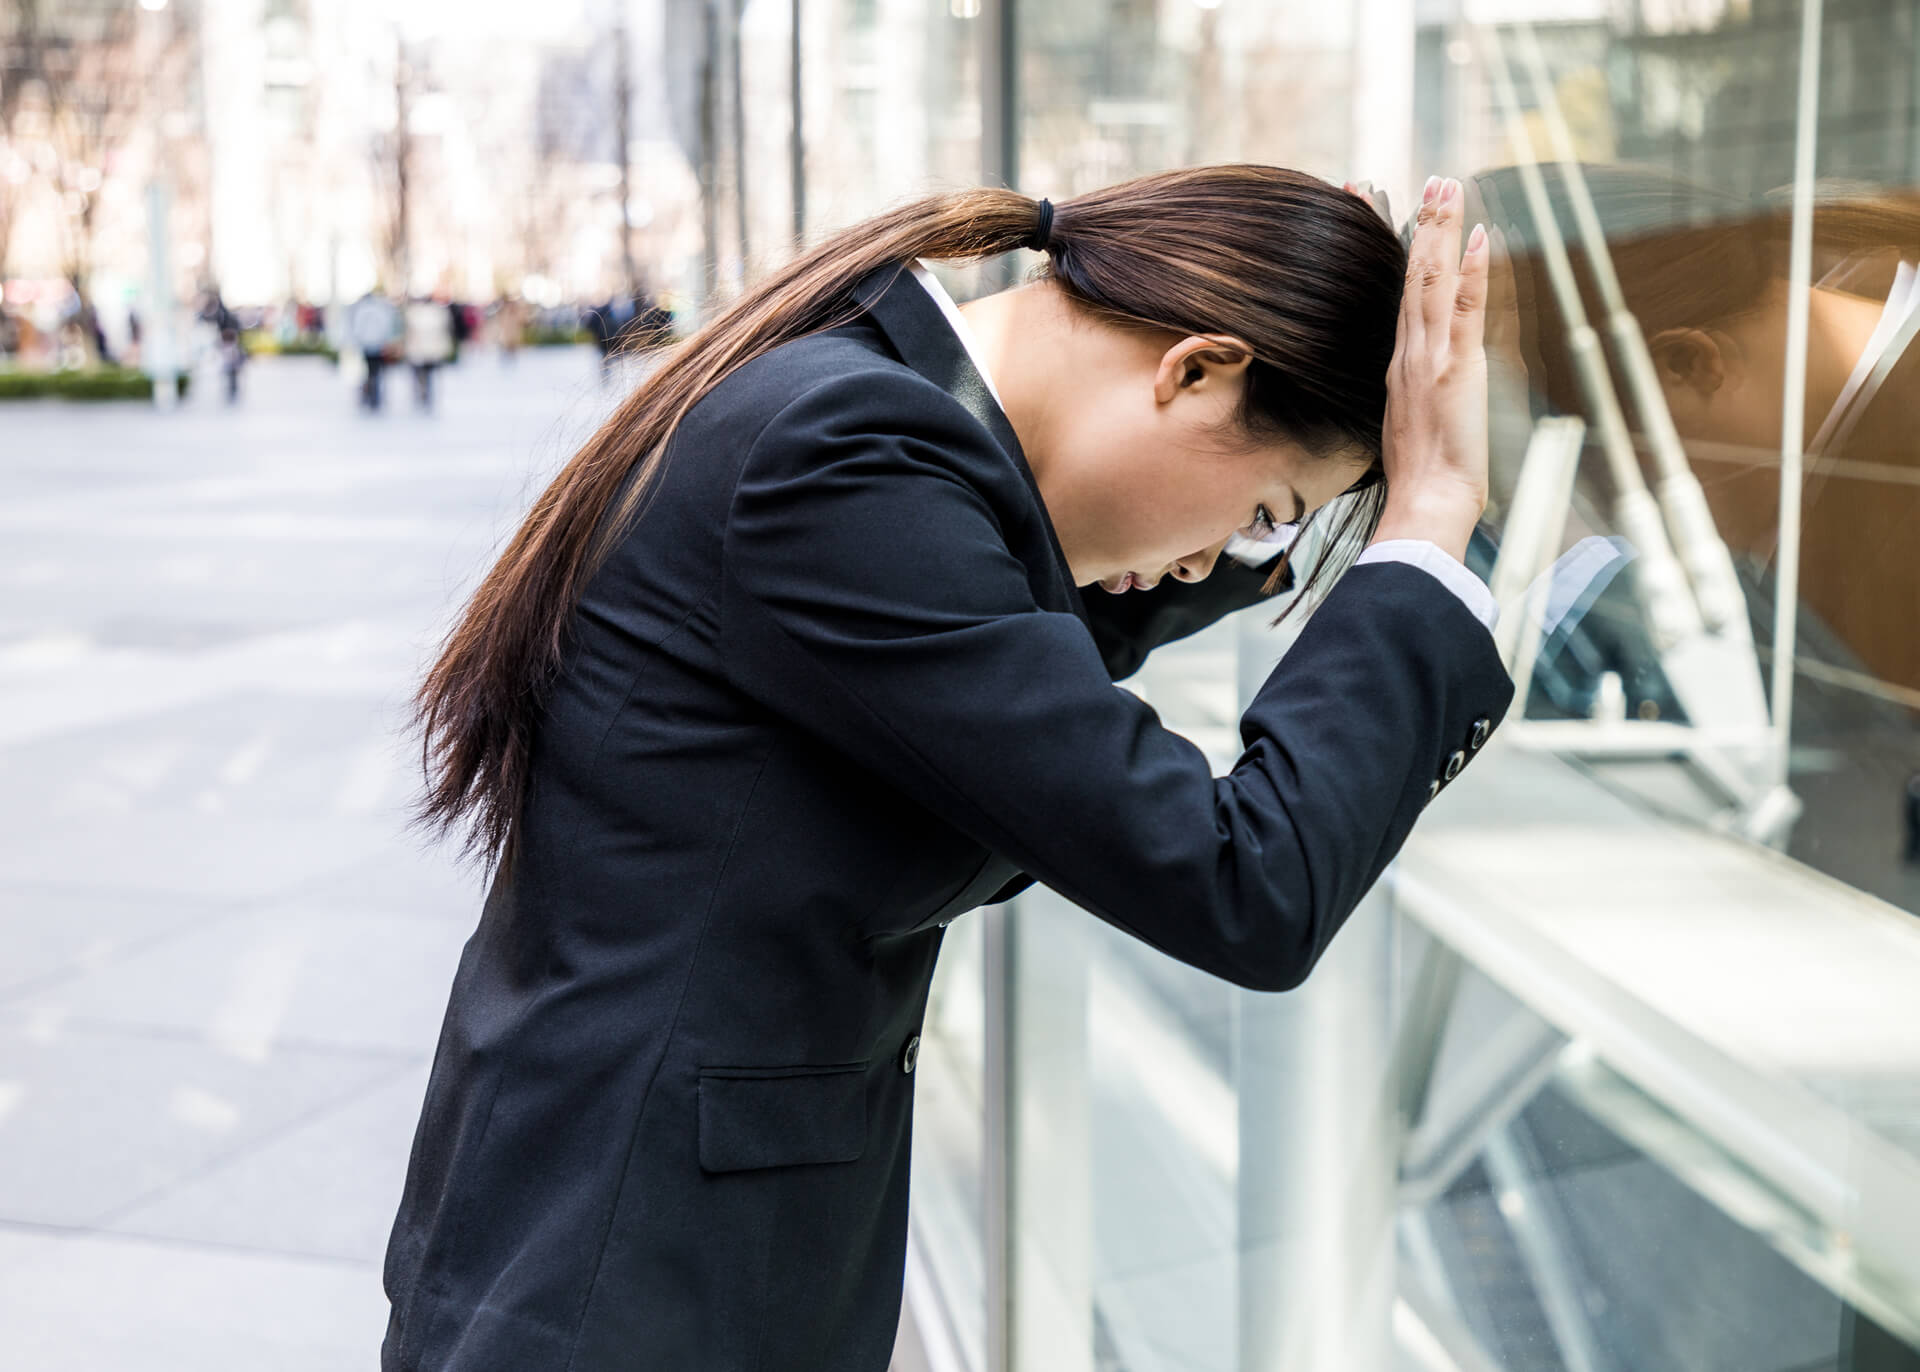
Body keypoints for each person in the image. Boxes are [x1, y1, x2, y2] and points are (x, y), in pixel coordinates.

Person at [384, 166, 1509, 1371]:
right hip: (618, 1291)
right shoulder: (845, 459)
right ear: (1193, 369)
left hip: (641, 1262)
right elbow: (1246, 879)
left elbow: (1020, 641)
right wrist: (1426, 524)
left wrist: (1309, 334)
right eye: (1263, 511)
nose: (1207, 566)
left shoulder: (856, 412)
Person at [348, 288, 401, 411]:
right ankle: (375, 396)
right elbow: (386, 328)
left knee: (369, 371)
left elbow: (357, 329)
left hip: (367, 346)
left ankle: (370, 395)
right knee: (377, 372)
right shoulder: (381, 310)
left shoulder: (361, 310)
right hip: (378, 345)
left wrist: (359, 341)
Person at [405, 296, 456, 411]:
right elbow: (446, 330)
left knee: (421, 373)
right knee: (429, 374)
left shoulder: (414, 313)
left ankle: (424, 392)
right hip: (432, 349)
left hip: (420, 349)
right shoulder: (439, 312)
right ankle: (427, 393)